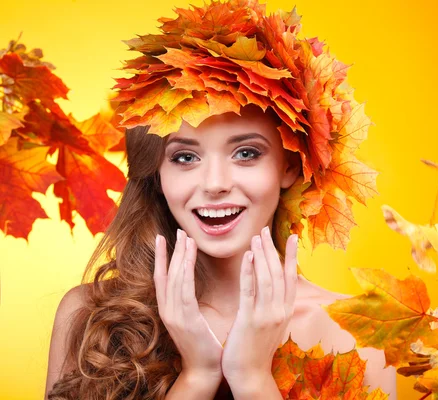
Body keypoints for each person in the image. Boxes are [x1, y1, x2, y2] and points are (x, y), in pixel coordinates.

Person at [45, 1, 397, 399]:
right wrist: (197, 375)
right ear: (158, 175)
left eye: (246, 153)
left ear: (290, 167)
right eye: (185, 157)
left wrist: (251, 378)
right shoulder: (89, 318)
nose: (214, 184)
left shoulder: (362, 331)